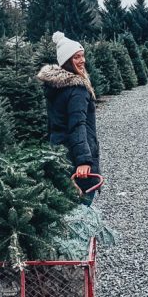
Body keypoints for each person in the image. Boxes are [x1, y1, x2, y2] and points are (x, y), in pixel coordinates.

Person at [37, 31, 100, 204]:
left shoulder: (55, 87)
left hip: (59, 155)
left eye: (82, 55)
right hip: (75, 160)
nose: (82, 61)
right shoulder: (77, 89)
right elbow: (77, 126)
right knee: (81, 211)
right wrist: (84, 161)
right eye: (77, 57)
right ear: (67, 62)